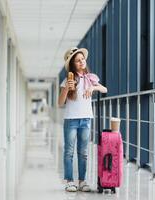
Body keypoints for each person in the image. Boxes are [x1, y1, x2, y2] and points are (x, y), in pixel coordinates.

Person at [58, 47, 107, 192]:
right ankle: (69, 181)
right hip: (71, 120)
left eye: (82, 59)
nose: (81, 62)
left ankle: (82, 181)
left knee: (83, 152)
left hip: (86, 119)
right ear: (72, 64)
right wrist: (67, 88)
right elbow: (60, 103)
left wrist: (93, 88)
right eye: (78, 61)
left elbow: (105, 89)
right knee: (69, 151)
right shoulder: (68, 80)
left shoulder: (90, 78)